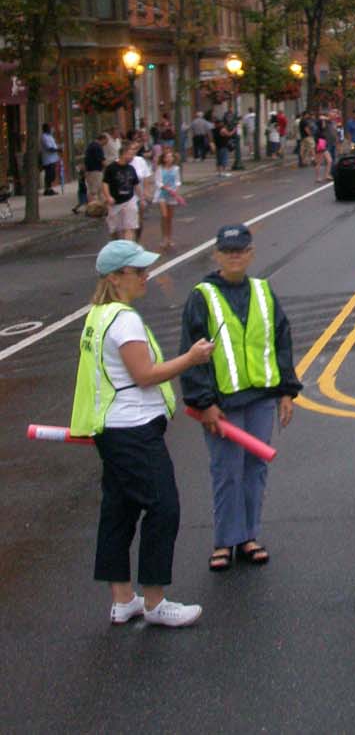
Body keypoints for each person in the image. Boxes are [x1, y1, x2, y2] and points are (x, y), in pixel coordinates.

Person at [71, 240, 214, 627]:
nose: (146, 276)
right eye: (138, 271)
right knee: (163, 506)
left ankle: (123, 599)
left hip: (112, 429)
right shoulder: (124, 319)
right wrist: (192, 358)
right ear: (116, 277)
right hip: (133, 430)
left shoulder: (97, 315)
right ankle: (154, 601)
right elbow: (145, 375)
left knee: (119, 509)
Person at [179, 224, 302, 571]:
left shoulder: (263, 291)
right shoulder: (202, 296)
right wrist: (203, 402)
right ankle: (225, 539)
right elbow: (191, 352)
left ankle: (248, 535)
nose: (235, 257)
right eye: (228, 251)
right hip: (223, 402)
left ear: (251, 253)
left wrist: (286, 393)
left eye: (241, 250)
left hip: (260, 397)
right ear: (216, 254)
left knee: (254, 469)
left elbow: (282, 341)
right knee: (226, 471)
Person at [102, 141, 142, 240]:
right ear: (123, 154)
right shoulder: (111, 168)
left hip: (129, 200)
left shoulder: (131, 168)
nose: (132, 157)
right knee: (114, 229)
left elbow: (135, 184)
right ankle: (116, 245)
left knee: (129, 226)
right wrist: (108, 197)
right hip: (115, 202)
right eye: (130, 154)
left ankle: (128, 247)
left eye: (133, 155)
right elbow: (105, 183)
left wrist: (141, 198)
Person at [153, 147, 185, 251]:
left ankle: (169, 237)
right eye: (167, 157)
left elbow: (177, 181)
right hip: (162, 194)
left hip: (172, 195)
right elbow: (158, 182)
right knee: (164, 215)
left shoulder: (176, 169)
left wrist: (176, 190)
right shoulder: (160, 169)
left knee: (170, 218)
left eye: (171, 157)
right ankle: (164, 237)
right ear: (164, 159)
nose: (169, 159)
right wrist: (164, 187)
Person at [40, 122, 61, 195]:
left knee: (52, 175)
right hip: (48, 160)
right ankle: (47, 190)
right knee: (49, 175)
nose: (51, 129)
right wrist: (58, 150)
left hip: (53, 159)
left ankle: (49, 188)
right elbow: (49, 148)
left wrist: (58, 148)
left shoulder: (50, 136)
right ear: (45, 129)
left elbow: (54, 146)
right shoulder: (44, 137)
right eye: (49, 127)